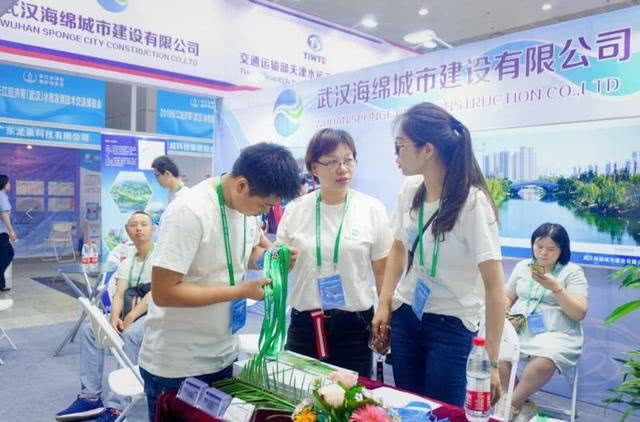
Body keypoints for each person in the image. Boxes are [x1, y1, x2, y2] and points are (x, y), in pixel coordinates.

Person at [139, 143, 301, 421]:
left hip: (223, 354)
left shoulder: (245, 209)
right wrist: (239, 291)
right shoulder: (189, 211)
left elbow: (249, 252)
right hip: (179, 364)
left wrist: (271, 258)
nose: (263, 212)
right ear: (241, 185)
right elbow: (164, 292)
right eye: (263, 205)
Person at [371, 102, 506, 407]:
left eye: (400, 146)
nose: (396, 155)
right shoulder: (411, 190)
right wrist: (384, 303)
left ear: (428, 150)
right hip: (407, 315)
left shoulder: (472, 203)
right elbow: (398, 248)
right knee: (408, 406)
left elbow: (495, 287)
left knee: (443, 412)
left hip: (451, 324)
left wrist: (492, 362)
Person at [277, 128, 392, 377]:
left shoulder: (371, 209)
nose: (342, 169)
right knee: (297, 393)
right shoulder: (296, 209)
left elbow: (383, 271)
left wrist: (385, 315)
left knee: (351, 396)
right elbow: (279, 263)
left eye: (348, 160)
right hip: (305, 323)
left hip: (354, 326)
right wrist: (277, 259)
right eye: (332, 162)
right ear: (314, 167)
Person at [56, 211, 155, 422]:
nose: (138, 228)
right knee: (91, 330)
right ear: (127, 230)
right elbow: (119, 294)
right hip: (130, 313)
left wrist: (130, 317)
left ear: (153, 229)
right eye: (133, 224)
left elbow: (154, 294)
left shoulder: (161, 256)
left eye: (143, 224)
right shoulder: (127, 262)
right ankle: (90, 397)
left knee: (131, 335)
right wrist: (114, 318)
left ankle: (118, 405)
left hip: (155, 315)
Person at [500, 223, 588, 421]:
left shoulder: (572, 272)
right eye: (539, 246)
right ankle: (523, 405)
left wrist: (556, 288)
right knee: (497, 351)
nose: (543, 253)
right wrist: (504, 313)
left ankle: (509, 407)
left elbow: (579, 313)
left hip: (558, 332)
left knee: (545, 358)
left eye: (551, 249)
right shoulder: (523, 267)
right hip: (520, 328)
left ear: (562, 250)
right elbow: (508, 297)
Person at [0, 175, 16, 292]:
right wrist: (11, 231)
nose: (10, 184)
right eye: (8, 183)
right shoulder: (1, 196)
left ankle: (1, 283)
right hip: (1, 232)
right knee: (8, 254)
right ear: (4, 184)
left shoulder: (3, 196)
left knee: (5, 255)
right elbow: (4, 214)